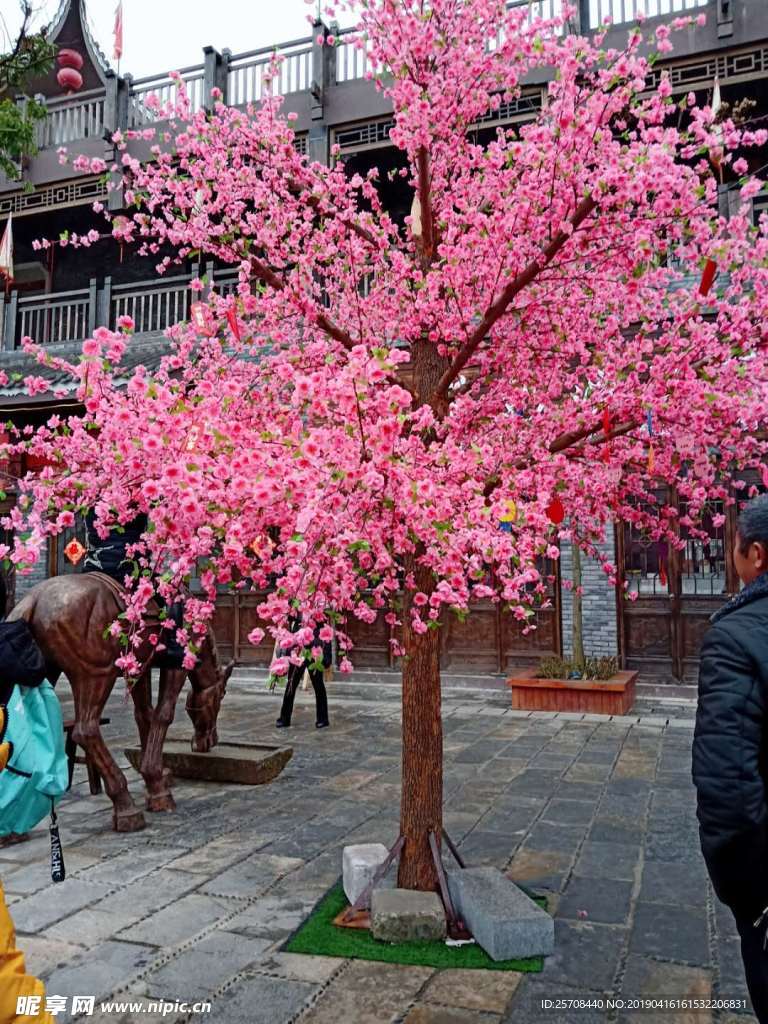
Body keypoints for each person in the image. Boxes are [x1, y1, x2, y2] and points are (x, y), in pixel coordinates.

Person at [693, 493, 768, 1023]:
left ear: (755, 555)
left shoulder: (736, 638)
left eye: (733, 544)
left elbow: (728, 787)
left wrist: (749, 898)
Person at [275, 619, 332, 730]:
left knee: (318, 684)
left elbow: (324, 624)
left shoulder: (320, 604)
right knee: (291, 683)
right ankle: (284, 718)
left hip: (315, 647)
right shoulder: (296, 604)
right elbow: (290, 618)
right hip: (298, 647)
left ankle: (323, 719)